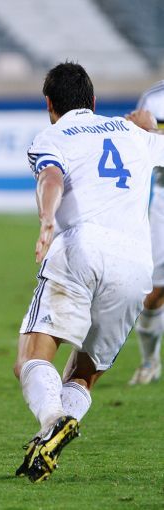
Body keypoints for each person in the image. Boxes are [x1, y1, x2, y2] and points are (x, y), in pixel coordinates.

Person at [13, 62, 164, 483]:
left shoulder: (51, 136)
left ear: (49, 105)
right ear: (93, 101)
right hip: (136, 263)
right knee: (85, 373)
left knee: (31, 358)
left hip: (80, 248)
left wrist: (47, 219)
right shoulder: (131, 132)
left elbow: (51, 177)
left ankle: (52, 419)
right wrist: (149, 128)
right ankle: (49, 440)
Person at [128, 82, 164, 385]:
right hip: (163, 201)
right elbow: (137, 147)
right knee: (153, 293)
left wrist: (151, 132)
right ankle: (150, 361)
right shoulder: (153, 98)